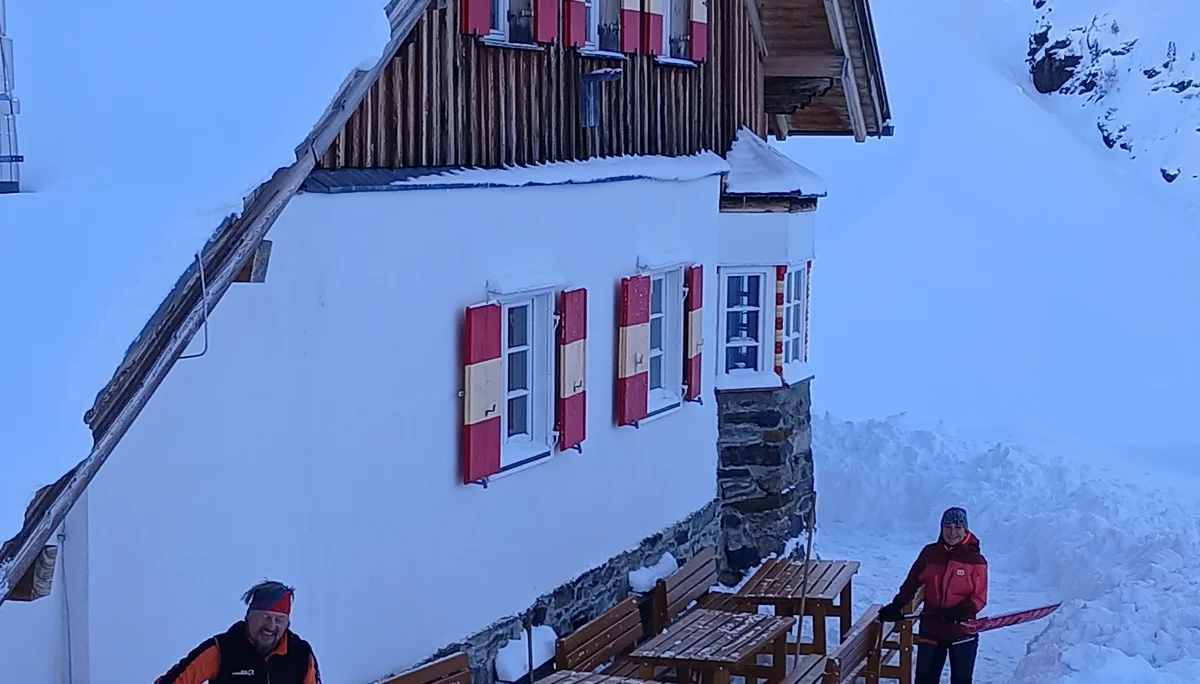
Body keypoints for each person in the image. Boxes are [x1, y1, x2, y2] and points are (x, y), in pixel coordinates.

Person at [878, 507, 988, 684]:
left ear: (965, 530)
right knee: (925, 679)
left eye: (958, 527)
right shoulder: (930, 554)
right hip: (932, 626)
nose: (952, 532)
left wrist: (960, 611)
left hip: (962, 629)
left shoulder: (976, 561)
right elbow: (912, 583)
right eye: (948, 526)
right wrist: (896, 605)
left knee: (961, 679)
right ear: (941, 528)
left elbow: (979, 598)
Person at [155, 580, 321, 684]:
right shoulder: (222, 650)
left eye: (279, 620)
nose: (271, 626)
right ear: (249, 616)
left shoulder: (301, 655)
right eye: (265, 617)